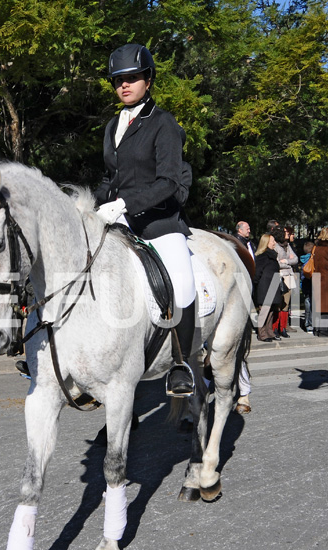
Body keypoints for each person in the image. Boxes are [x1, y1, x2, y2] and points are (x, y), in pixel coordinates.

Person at [94, 43, 196, 396]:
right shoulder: (112, 126)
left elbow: (169, 181)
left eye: (132, 78)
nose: (124, 85)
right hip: (120, 222)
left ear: (148, 80)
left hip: (159, 223)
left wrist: (125, 203)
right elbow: (111, 177)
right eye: (118, 80)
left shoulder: (163, 123)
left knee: (181, 282)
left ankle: (181, 363)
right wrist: (96, 206)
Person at [253, 232, 282, 343]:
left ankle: (269, 331)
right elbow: (257, 273)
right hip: (265, 286)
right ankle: (262, 334)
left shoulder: (272, 255)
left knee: (270, 312)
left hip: (272, 285)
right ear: (266, 242)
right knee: (264, 311)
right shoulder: (263, 256)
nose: (274, 243)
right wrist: (256, 284)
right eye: (272, 241)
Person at [272, 226, 298, 338]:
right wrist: (288, 262)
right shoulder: (276, 246)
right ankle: (275, 328)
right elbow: (276, 263)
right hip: (280, 276)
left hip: (289, 276)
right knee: (278, 303)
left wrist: (286, 261)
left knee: (286, 304)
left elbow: (295, 259)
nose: (288, 234)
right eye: (286, 233)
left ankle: (283, 328)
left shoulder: (287, 246)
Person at [299, 241, 315, 333]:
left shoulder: (303, 260)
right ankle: (309, 324)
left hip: (305, 285)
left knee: (308, 302)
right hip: (311, 283)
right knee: (311, 304)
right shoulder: (311, 260)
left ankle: (308, 323)